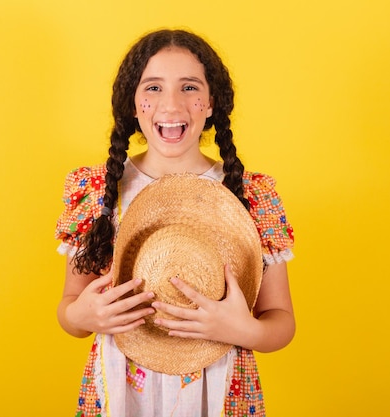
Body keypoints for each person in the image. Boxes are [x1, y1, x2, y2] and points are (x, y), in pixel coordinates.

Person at [55, 29, 295, 416]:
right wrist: (81, 315)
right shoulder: (97, 190)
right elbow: (70, 306)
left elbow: (281, 321)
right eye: (152, 88)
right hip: (121, 391)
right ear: (132, 105)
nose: (171, 104)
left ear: (211, 102)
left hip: (220, 388)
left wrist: (242, 330)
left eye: (188, 87)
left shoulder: (250, 196)